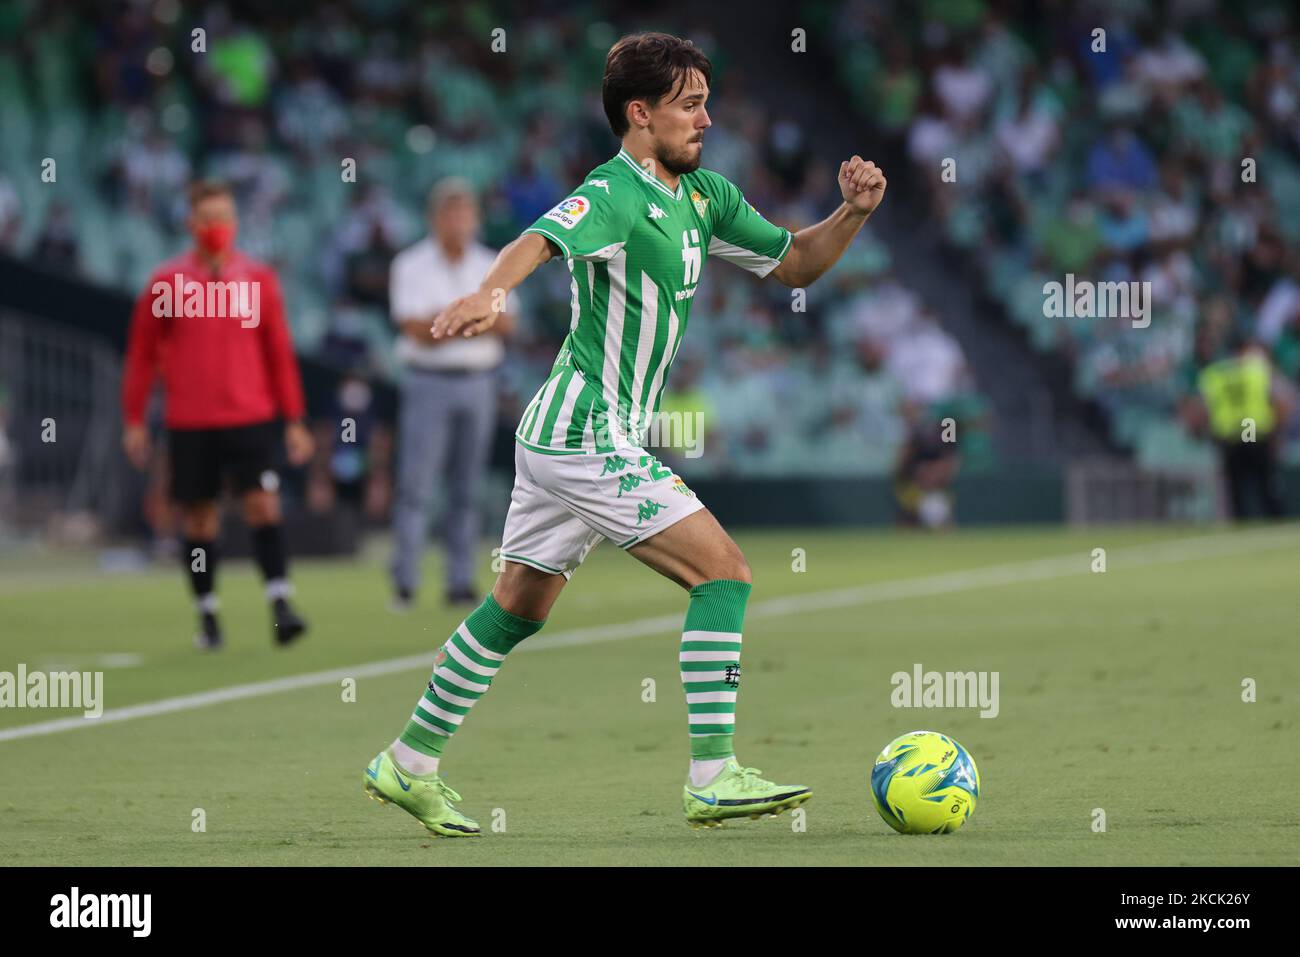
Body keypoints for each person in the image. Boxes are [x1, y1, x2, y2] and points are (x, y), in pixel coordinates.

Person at [361, 32, 887, 835]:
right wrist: (489, 294)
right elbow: (538, 239)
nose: (705, 117)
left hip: (570, 433)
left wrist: (850, 212)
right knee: (725, 572)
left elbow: (796, 264)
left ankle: (408, 762)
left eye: (706, 101)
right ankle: (713, 774)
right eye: (688, 105)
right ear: (639, 115)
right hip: (584, 430)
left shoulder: (704, 196)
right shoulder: (611, 192)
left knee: (517, 607)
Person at [121, 179, 314, 650]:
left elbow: (278, 354)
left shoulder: (259, 280)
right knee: (200, 520)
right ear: (191, 224)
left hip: (250, 417)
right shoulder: (166, 283)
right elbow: (142, 354)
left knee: (263, 506)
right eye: (208, 219)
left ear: (236, 222)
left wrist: (293, 418)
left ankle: (280, 606)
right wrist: (133, 419)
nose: (217, 228)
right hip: (190, 421)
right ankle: (207, 616)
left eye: (224, 218)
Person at [388, 179, 515, 609]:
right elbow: (414, 330)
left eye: (465, 213)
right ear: (435, 218)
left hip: (478, 380)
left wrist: (448, 323)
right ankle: (405, 580)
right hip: (429, 379)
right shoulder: (411, 264)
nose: (458, 222)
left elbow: (508, 324)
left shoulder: (490, 262)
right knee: (417, 484)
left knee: (467, 487)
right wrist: (472, 321)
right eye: (450, 213)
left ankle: (459, 580)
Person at [1196, 335, 1291, 519]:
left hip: (1230, 435)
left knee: (1237, 491)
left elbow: (1204, 410)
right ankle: (1277, 524)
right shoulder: (1258, 369)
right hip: (1255, 431)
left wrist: (1208, 432)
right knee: (1266, 485)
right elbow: (1281, 403)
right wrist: (1278, 431)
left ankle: (1241, 528)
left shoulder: (1214, 374)